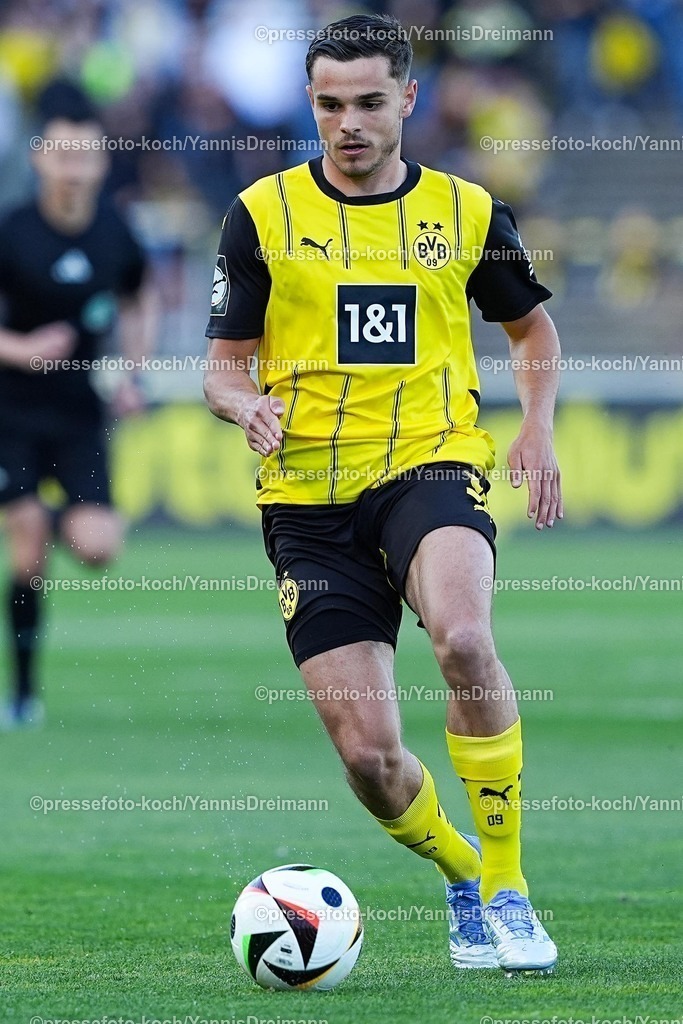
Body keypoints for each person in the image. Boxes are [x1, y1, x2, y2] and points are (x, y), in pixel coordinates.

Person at [204, 13, 562, 974]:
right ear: (310, 105)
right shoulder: (261, 214)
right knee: (369, 756)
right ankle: (459, 874)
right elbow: (221, 368)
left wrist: (535, 426)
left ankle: (509, 885)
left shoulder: (468, 211)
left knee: (462, 635)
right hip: (307, 503)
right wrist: (243, 406)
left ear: (407, 97)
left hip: (429, 465)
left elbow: (531, 334)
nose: (349, 122)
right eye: (330, 104)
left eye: (369, 102)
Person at [0, 81, 156, 727]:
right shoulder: (11, 232)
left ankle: (39, 519)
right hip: (9, 410)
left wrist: (132, 371)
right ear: (39, 157)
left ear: (100, 161)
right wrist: (23, 349)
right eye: (62, 156)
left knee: (98, 547)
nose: (74, 170)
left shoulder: (116, 232)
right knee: (28, 545)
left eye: (85, 157)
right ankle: (24, 697)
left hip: (78, 412)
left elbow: (139, 297)